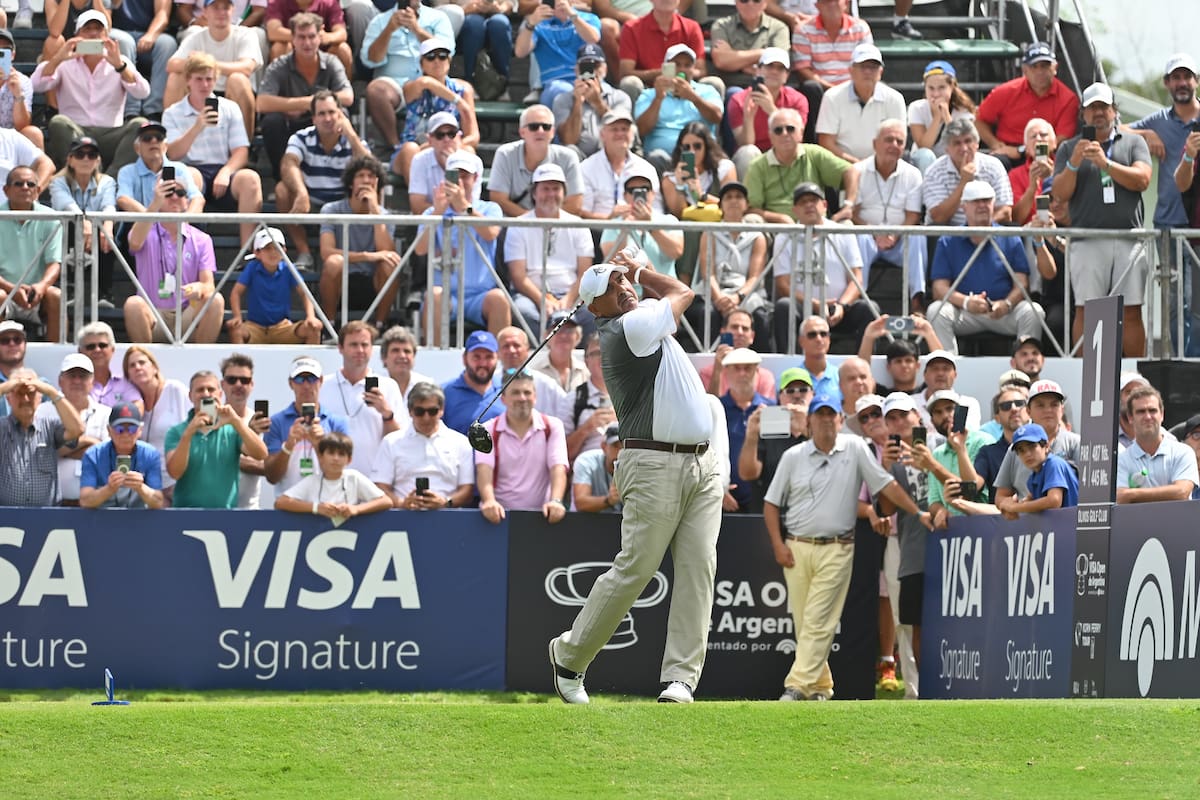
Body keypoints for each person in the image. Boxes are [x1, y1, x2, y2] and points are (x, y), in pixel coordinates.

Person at [548, 250, 724, 705]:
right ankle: (569, 657)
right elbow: (683, 290)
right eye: (610, 288)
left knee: (698, 569)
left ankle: (680, 679)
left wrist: (631, 267)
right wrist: (644, 272)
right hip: (653, 465)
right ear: (594, 309)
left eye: (623, 282)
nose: (622, 288)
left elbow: (651, 297)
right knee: (636, 569)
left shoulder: (639, 315)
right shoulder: (625, 329)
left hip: (702, 465)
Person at [766, 393, 928, 701]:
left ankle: (797, 685)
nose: (826, 419)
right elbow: (771, 503)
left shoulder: (854, 448)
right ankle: (821, 687)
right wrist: (777, 543)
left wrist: (918, 512)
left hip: (838, 546)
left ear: (841, 421)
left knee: (818, 618)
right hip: (797, 546)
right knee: (805, 622)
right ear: (810, 420)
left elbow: (886, 485)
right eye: (820, 414)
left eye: (832, 414)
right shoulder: (793, 456)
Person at [1052, 82, 1153, 357]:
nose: (1098, 113)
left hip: (1128, 237)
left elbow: (1143, 179)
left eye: (1103, 107)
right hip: (1087, 239)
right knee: (1086, 311)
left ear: (1114, 111)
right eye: (1092, 107)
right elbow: (1059, 195)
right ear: (1083, 113)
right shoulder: (1069, 147)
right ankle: (1085, 374)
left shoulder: (1134, 141)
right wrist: (1074, 162)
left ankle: (1132, 378)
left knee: (1131, 311)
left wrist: (1106, 164)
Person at [1132, 54, 1200, 357]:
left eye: (1187, 76)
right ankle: (1179, 361)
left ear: (1196, 81)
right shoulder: (1158, 120)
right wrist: (1146, 134)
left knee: (1196, 303)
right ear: (1166, 83)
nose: (1181, 83)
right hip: (1169, 224)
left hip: (1197, 223)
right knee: (1175, 302)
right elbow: (1115, 129)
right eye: (1175, 77)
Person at [927, 180, 1044, 354]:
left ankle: (1026, 370)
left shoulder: (1010, 237)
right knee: (936, 310)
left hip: (1003, 311)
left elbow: (1022, 284)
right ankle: (947, 369)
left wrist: (1006, 304)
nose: (982, 206)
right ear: (963, 207)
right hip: (963, 312)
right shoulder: (948, 240)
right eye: (975, 201)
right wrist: (966, 302)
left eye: (987, 201)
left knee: (1034, 311)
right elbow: (939, 288)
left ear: (993, 204)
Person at [163, 52, 263, 244]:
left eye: (209, 79)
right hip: (191, 169)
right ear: (188, 81)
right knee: (187, 176)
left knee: (251, 179)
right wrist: (197, 126)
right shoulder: (172, 113)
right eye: (199, 79)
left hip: (222, 171)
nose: (204, 85)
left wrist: (226, 172)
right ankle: (187, 249)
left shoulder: (230, 108)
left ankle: (247, 252)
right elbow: (173, 154)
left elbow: (241, 151)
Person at [33, 9, 149, 174]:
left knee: (139, 125)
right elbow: (36, 85)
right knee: (58, 122)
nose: (93, 33)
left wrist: (120, 67)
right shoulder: (65, 62)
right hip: (76, 132)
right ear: (77, 34)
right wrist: (58, 58)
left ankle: (110, 178)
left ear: (106, 35)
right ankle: (78, 176)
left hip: (110, 133)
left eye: (99, 29)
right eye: (87, 29)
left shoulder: (120, 61)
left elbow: (142, 92)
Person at [414, 150, 510, 344]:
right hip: (446, 293)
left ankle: (501, 368)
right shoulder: (432, 211)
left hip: (480, 295)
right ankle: (433, 360)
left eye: (464, 176)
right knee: (434, 295)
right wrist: (438, 212)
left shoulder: (490, 208)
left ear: (475, 178)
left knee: (499, 299)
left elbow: (491, 233)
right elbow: (420, 249)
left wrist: (465, 207)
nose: (459, 181)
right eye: (454, 176)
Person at [123, 176, 225, 344]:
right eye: (168, 192)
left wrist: (200, 287)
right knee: (133, 304)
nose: (175, 197)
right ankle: (144, 361)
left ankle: (202, 363)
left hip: (187, 312)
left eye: (180, 192)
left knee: (216, 300)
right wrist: (154, 203)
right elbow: (134, 242)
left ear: (187, 201)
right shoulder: (145, 230)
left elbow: (209, 285)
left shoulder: (202, 239)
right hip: (153, 314)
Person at [772, 182, 872, 352]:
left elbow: (856, 279)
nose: (809, 205)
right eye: (803, 202)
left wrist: (842, 305)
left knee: (869, 308)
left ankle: (863, 365)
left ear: (824, 205)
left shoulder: (844, 233)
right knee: (783, 306)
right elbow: (783, 285)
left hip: (838, 310)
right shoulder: (785, 237)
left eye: (814, 200)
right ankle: (787, 363)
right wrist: (815, 304)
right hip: (803, 308)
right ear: (794, 209)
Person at [256, 12, 354, 183]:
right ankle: (284, 178)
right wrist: (297, 105)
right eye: (301, 37)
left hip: (320, 121)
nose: (307, 43)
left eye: (311, 36)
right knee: (272, 121)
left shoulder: (331, 62)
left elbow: (348, 96)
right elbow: (262, 102)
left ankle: (336, 177)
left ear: (319, 37)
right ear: (292, 39)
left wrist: (311, 104)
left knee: (341, 113)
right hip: (289, 124)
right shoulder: (280, 66)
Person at [277, 90, 370, 269]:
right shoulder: (302, 137)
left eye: (331, 112)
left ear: (340, 115)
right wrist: (301, 193)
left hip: (342, 207)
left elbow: (371, 171)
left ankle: (349, 257)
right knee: (282, 190)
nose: (327, 118)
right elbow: (289, 163)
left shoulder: (353, 140)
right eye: (321, 114)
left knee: (367, 189)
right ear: (314, 119)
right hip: (309, 203)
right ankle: (304, 253)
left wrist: (351, 137)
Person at [504, 162, 596, 335]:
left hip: (572, 294)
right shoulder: (518, 225)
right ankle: (540, 360)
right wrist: (542, 300)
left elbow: (585, 272)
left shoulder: (578, 224)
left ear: (563, 192)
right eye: (545, 188)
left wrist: (568, 300)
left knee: (594, 312)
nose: (551, 194)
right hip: (531, 294)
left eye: (556, 188)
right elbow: (518, 276)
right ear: (534, 193)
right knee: (524, 312)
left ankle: (584, 360)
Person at [851, 118, 926, 315]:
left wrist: (895, 234)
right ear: (875, 144)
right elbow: (853, 213)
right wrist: (875, 233)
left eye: (899, 142)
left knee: (918, 236)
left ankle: (917, 301)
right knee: (860, 238)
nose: (894, 145)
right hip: (868, 235)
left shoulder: (913, 174)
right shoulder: (857, 171)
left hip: (899, 239)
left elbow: (913, 215)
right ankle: (860, 300)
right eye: (889, 140)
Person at [362, 1, 456, 155]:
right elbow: (370, 60)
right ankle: (397, 147)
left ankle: (446, 146)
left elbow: (448, 52)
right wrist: (388, 30)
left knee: (464, 88)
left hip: (432, 82)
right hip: (395, 85)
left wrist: (417, 30)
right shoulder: (379, 21)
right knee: (375, 90)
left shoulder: (438, 18)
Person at [318, 155, 400, 331]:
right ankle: (329, 328)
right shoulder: (331, 210)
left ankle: (380, 326)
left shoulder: (385, 215)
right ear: (350, 182)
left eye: (371, 176)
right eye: (360, 176)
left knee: (389, 265)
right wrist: (367, 256)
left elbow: (388, 253)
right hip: (341, 280)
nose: (366, 181)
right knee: (333, 262)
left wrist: (375, 211)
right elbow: (326, 252)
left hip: (372, 282)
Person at [165, 370, 269, 508]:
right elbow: (175, 473)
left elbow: (261, 454)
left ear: (220, 394)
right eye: (200, 390)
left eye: (211, 389)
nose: (206, 394)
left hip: (224, 516)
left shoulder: (232, 429)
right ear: (190, 396)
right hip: (186, 514)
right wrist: (188, 433)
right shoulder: (176, 432)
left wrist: (236, 421)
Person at [475, 371, 569, 522]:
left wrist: (556, 501)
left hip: (542, 517)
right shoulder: (488, 429)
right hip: (498, 517)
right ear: (503, 398)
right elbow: (484, 469)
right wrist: (489, 501)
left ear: (535, 397)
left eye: (527, 392)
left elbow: (558, 467)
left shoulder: (552, 426)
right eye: (515, 392)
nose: (522, 398)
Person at [165, 0, 262, 140]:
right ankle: (171, 139)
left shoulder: (246, 34)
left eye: (226, 8)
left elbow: (246, 67)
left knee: (238, 79)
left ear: (233, 11)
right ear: (204, 11)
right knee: (175, 78)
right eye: (215, 8)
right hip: (200, 90)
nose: (221, 12)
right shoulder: (196, 36)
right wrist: (200, 66)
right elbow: (172, 65)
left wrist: (206, 62)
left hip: (232, 92)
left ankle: (244, 146)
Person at [371, 381, 475, 511]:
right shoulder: (391, 442)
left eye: (432, 411)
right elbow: (380, 486)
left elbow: (467, 489)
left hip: (448, 518)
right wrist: (402, 503)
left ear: (441, 411)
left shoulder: (461, 443)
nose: (426, 417)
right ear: (410, 411)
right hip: (402, 518)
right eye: (419, 411)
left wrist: (445, 503)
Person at [975, 42, 1079, 169]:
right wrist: (996, 145)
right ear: (1024, 70)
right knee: (993, 165)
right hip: (1008, 151)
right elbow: (979, 120)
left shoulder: (1068, 99)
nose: (1040, 71)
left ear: (1055, 68)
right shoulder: (1005, 91)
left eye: (1045, 66)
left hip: (1046, 152)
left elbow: (1061, 138)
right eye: (1034, 66)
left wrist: (1023, 150)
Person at [744, 107, 856, 222]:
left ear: (801, 133)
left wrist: (848, 205)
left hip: (816, 225)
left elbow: (851, 171)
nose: (784, 134)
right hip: (775, 229)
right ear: (771, 136)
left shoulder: (814, 154)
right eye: (778, 130)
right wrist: (781, 218)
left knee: (846, 224)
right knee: (751, 220)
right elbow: (751, 209)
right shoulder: (757, 166)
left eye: (790, 129)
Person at [319, 320, 404, 472]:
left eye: (365, 345)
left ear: (372, 349)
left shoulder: (388, 386)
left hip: (374, 479)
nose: (360, 350)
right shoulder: (322, 385)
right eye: (353, 345)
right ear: (340, 348)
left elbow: (398, 441)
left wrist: (386, 414)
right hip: (330, 480)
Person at [689, 184, 770, 344]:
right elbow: (708, 274)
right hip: (714, 293)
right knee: (708, 313)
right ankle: (710, 360)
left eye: (739, 197)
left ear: (746, 204)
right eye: (728, 197)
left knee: (760, 316)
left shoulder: (757, 237)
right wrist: (720, 299)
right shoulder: (709, 233)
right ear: (721, 205)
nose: (734, 200)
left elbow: (754, 278)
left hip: (745, 293)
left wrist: (738, 298)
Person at [392, 37, 479, 183]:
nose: (437, 61)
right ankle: (418, 202)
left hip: (448, 147)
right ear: (422, 64)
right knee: (409, 149)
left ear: (449, 61)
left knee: (468, 152)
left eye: (442, 56)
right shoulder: (412, 86)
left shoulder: (463, 90)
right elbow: (425, 82)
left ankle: (462, 202)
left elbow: (474, 137)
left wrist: (448, 145)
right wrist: (457, 101)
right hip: (418, 148)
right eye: (431, 57)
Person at [989, 379, 1080, 517]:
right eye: (1040, 405)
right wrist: (1007, 506)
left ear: (1062, 409)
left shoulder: (1076, 444)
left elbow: (1054, 500)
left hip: (1068, 528)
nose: (1048, 410)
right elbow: (1002, 498)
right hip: (1030, 532)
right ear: (1028, 411)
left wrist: (1018, 508)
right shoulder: (1016, 451)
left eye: (1054, 404)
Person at [264, 355, 351, 498]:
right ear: (291, 383)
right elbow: (272, 477)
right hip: (288, 506)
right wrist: (289, 446)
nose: (306, 385)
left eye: (311, 379)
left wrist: (320, 445)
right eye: (299, 379)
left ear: (321, 381)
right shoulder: (276, 422)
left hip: (327, 505)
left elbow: (339, 472)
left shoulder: (337, 423)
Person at [790, 0, 873, 142]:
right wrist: (832, 89)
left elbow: (867, 62)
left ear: (846, 3)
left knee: (872, 85)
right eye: (826, 1)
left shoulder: (860, 28)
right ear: (817, 6)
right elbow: (802, 69)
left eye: (836, 0)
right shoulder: (803, 30)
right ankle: (815, 143)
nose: (831, 4)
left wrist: (849, 88)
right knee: (810, 88)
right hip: (821, 89)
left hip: (854, 86)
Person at [49, 136, 119, 306]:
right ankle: (70, 287)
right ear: (70, 160)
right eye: (80, 154)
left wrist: (108, 226)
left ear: (98, 161)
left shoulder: (107, 181)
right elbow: (67, 206)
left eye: (92, 155)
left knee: (106, 231)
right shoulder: (57, 182)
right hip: (67, 235)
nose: (86, 159)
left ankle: (104, 292)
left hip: (96, 236)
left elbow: (109, 207)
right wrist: (84, 222)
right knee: (71, 225)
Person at [0, 367, 85, 506]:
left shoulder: (50, 426)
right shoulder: (2, 427)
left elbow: (77, 429)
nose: (26, 399)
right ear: (8, 399)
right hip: (6, 519)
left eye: (31, 393)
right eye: (19, 394)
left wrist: (51, 392)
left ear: (40, 398)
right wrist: (4, 388)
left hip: (47, 517)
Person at [633, 43, 723, 173]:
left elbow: (717, 117)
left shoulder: (706, 91)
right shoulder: (650, 94)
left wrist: (693, 97)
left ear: (693, 69)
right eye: (677, 65)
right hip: (664, 159)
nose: (682, 70)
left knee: (724, 164)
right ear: (666, 68)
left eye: (687, 65)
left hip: (702, 160)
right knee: (656, 157)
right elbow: (641, 130)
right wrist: (658, 99)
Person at [0, 166, 65, 342]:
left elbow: (54, 263)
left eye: (30, 184)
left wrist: (41, 286)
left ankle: (56, 355)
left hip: (37, 293)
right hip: (4, 291)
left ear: (38, 191)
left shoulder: (51, 217)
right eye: (18, 183)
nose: (25, 187)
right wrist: (12, 289)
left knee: (56, 296)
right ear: (6, 190)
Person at [36, 353, 110, 506]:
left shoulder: (106, 414)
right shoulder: (42, 412)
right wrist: (88, 441)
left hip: (96, 504)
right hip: (50, 504)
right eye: (72, 375)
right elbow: (41, 456)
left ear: (92, 381)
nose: (77, 381)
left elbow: (106, 456)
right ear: (60, 381)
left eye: (82, 376)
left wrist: (61, 450)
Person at [228, 226, 322, 345]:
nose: (273, 252)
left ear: (284, 250)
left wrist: (311, 316)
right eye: (267, 248)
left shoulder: (288, 268)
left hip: (282, 327)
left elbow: (305, 293)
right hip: (254, 327)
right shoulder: (252, 268)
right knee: (236, 331)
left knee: (313, 328)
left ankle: (310, 362)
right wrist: (237, 317)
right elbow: (236, 292)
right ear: (257, 253)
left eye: (277, 248)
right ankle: (239, 363)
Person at [814, 43, 905, 164]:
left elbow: (898, 141)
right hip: (840, 164)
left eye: (873, 67)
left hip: (883, 164)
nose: (867, 71)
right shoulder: (832, 97)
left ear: (880, 72)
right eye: (862, 66)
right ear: (851, 70)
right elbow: (826, 143)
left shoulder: (895, 99)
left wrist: (872, 167)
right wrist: (857, 165)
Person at [725, 47, 808, 179]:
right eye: (769, 66)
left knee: (801, 153)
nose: (774, 71)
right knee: (748, 152)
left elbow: (795, 139)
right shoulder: (739, 100)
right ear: (758, 71)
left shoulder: (798, 100)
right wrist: (748, 117)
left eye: (780, 68)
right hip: (754, 155)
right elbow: (745, 143)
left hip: (782, 151)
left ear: (786, 76)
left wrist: (772, 111)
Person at [488, 105, 584, 216]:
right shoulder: (505, 154)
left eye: (546, 127)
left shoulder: (568, 157)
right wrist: (531, 222)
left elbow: (575, 204)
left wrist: (544, 223)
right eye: (533, 127)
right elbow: (498, 199)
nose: (540, 131)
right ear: (522, 132)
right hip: (516, 226)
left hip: (558, 227)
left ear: (552, 132)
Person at [738, 367, 810, 513]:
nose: (797, 395)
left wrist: (808, 430)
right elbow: (747, 474)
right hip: (770, 515)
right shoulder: (766, 428)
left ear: (812, 394)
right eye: (789, 391)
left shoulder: (824, 423)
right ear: (779, 397)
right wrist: (751, 435)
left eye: (803, 390)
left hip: (809, 516)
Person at [277, 431, 392, 520]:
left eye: (341, 454)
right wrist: (316, 508)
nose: (336, 458)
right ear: (321, 457)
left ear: (349, 459)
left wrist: (356, 509)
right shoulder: (312, 480)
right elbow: (281, 502)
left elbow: (386, 501)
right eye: (331, 453)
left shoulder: (354, 477)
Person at [921, 118, 1013, 225]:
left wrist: (979, 228)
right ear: (947, 149)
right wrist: (964, 182)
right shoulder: (935, 171)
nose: (964, 148)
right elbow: (938, 217)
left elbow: (1005, 211)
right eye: (957, 143)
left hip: (988, 229)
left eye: (968, 141)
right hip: (949, 234)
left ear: (977, 144)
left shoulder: (993, 166)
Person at [599, 167, 684, 281]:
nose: (638, 194)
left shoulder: (669, 220)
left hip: (663, 290)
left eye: (645, 189)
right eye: (632, 190)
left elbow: (676, 252)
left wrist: (650, 226)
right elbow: (611, 260)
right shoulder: (615, 223)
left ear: (653, 193)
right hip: (627, 292)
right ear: (625, 195)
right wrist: (625, 230)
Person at [1116, 385, 1198, 505]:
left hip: (1178, 524)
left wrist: (1132, 494)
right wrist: (1170, 492)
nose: (1148, 416)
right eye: (1141, 411)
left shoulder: (1183, 452)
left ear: (1162, 415)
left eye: (1152, 410)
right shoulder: (1121, 460)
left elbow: (1181, 492)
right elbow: (1121, 497)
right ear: (1130, 418)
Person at [122, 345, 189, 492]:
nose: (138, 367)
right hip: (150, 486)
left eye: (142, 362)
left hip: (180, 482)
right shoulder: (133, 405)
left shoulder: (174, 390)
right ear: (128, 376)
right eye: (132, 365)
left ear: (154, 368)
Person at [515, 0, 601, 110]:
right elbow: (520, 52)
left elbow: (593, 39)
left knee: (609, 92)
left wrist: (572, 16)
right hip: (555, 82)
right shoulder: (539, 24)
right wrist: (530, 24)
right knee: (563, 92)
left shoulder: (588, 18)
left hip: (586, 77)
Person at [579, 108, 660, 222]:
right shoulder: (586, 168)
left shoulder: (646, 169)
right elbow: (582, 213)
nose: (620, 134)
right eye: (614, 129)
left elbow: (657, 210)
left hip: (641, 229)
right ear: (602, 134)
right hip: (599, 232)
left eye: (625, 129)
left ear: (632, 134)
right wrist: (610, 219)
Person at [617, 0, 708, 102]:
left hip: (686, 89)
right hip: (647, 91)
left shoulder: (692, 27)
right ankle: (634, 118)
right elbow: (625, 72)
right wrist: (662, 73)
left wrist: (682, 73)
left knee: (713, 82)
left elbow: (701, 71)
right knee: (630, 83)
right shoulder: (632, 28)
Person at [79, 401, 165, 509]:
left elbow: (158, 502)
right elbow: (85, 501)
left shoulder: (150, 454)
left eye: (132, 429)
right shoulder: (93, 455)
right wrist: (109, 489)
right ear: (109, 430)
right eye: (119, 429)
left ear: (140, 430)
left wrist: (140, 487)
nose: (126, 434)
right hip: (101, 518)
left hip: (138, 519)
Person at [554, 43, 632, 160]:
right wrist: (578, 103)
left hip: (612, 157)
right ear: (577, 70)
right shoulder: (563, 99)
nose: (592, 72)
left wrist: (598, 102)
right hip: (580, 159)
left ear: (605, 69)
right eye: (585, 67)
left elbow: (621, 129)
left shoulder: (620, 97)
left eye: (596, 66)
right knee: (570, 151)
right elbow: (568, 140)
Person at [719, 347, 771, 512]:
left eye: (748, 368)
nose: (742, 374)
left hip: (763, 498)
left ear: (757, 372)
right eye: (736, 368)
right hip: (724, 501)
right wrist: (718, 490)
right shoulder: (715, 409)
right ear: (726, 372)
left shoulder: (771, 409)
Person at [116, 121, 205, 215]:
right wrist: (152, 223)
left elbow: (197, 199)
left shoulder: (180, 169)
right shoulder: (127, 171)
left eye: (159, 138)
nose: (153, 141)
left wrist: (183, 223)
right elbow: (123, 199)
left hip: (175, 226)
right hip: (140, 227)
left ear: (166, 147)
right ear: (137, 148)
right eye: (147, 138)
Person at [109, 0, 178, 120]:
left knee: (167, 43)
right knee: (125, 41)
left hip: (147, 34)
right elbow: (105, 14)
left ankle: (154, 110)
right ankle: (131, 111)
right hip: (118, 33)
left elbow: (162, 14)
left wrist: (151, 35)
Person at [219, 352, 271, 509]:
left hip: (250, 509)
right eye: (232, 380)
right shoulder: (210, 420)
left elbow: (271, 468)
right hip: (216, 509)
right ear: (222, 384)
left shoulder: (261, 421)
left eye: (245, 380)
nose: (238, 384)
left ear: (251, 385)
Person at [907, 60, 976, 173]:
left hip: (953, 156)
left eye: (941, 88)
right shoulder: (916, 108)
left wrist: (946, 115)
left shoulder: (964, 111)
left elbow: (959, 141)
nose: (936, 94)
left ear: (952, 87)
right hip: (924, 160)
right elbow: (924, 145)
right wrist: (937, 118)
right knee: (926, 155)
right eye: (931, 88)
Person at [659, 121, 736, 222]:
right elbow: (678, 214)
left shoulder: (724, 168)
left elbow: (731, 207)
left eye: (697, 146)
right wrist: (680, 186)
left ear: (706, 147)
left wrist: (702, 196)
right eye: (686, 147)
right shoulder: (670, 179)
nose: (692, 151)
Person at [406, 111, 481, 214]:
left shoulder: (474, 162)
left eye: (451, 134)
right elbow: (417, 207)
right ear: (430, 140)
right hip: (434, 223)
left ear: (459, 136)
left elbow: (475, 205)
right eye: (440, 135)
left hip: (466, 221)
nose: (446, 139)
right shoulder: (419, 160)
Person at [707, 0, 789, 93]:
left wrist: (734, 58)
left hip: (767, 87)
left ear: (765, 3)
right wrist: (763, 54)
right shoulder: (722, 25)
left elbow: (778, 61)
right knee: (734, 92)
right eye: (744, 0)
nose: (750, 4)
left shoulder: (779, 28)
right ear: (736, 2)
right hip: (731, 85)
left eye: (756, 0)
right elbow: (721, 61)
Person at [563, 332, 617, 461]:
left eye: (608, 351)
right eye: (597, 353)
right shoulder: (573, 400)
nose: (603, 357)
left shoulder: (630, 396)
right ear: (586, 361)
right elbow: (561, 454)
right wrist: (587, 427)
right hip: (587, 470)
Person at [1005, 422, 1079, 514]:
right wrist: (1016, 505)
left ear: (1046, 446)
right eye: (1021, 450)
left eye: (1032, 447)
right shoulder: (1033, 477)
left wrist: (1016, 508)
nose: (1027, 454)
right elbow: (1032, 501)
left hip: (1075, 526)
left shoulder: (1054, 464)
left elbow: (1054, 501)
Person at [973, 385, 1031, 500]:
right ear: (997, 418)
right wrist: (961, 449)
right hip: (1001, 514)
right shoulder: (988, 452)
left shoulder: (1043, 445)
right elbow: (974, 486)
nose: (1014, 409)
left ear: (1029, 411)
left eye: (1019, 403)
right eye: (1006, 406)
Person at [265, 0, 352, 76]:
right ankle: (280, 91)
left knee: (343, 49)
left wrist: (327, 37)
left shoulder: (329, 2)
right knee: (279, 48)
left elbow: (342, 33)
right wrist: (305, 36)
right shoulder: (277, 2)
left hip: (322, 52)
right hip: (292, 52)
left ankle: (342, 90)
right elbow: (273, 32)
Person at [441, 330, 499, 434]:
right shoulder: (444, 393)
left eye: (489, 357)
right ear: (464, 358)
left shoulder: (508, 391)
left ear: (497, 359)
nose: (483, 363)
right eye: (476, 357)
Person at [911, 349, 982, 431]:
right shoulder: (910, 403)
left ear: (955, 375)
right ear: (925, 375)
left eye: (946, 369)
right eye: (935, 369)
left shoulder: (968, 403)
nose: (940, 373)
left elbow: (969, 435)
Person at [379, 325, 436, 425]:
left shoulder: (427, 385)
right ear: (384, 358)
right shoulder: (376, 386)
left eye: (407, 351)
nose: (402, 356)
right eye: (395, 350)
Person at [77, 321, 141, 408]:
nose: (97, 350)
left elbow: (137, 407)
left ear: (112, 349)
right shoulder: (74, 383)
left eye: (102, 345)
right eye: (90, 347)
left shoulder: (125, 384)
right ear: (80, 352)